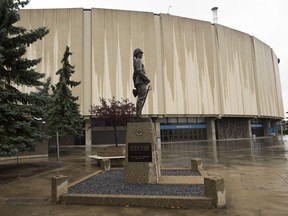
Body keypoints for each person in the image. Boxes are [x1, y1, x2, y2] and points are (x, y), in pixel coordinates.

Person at [132, 48, 150, 117]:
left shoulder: (136, 61)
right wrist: (146, 79)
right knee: (141, 98)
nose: (142, 54)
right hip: (141, 81)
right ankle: (138, 114)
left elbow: (134, 75)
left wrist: (135, 84)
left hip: (139, 82)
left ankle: (138, 114)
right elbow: (139, 71)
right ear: (137, 54)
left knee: (140, 98)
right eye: (140, 53)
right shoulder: (138, 61)